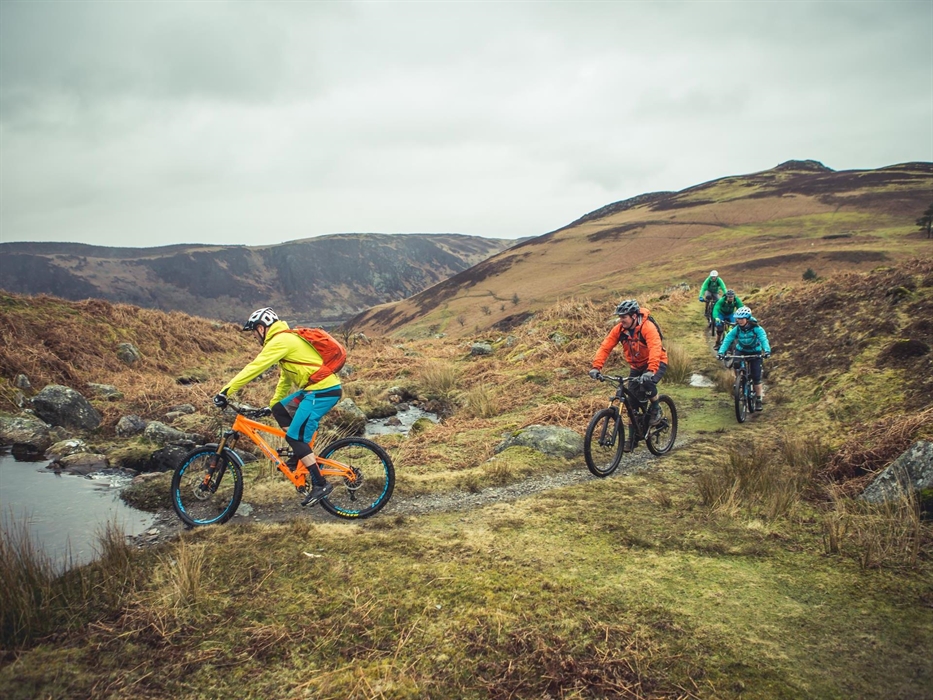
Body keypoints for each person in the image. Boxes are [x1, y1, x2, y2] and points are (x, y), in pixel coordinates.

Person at [213, 307, 342, 507]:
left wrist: (225, 392)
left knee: (294, 437)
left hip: (322, 391)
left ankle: (320, 484)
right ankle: (299, 455)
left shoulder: (280, 340)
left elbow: (255, 367)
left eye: (255, 332)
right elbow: (285, 378)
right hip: (315, 389)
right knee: (281, 410)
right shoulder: (286, 340)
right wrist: (272, 406)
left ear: (261, 328)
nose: (255, 337)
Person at [589, 299, 669, 431]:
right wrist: (596, 367)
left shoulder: (647, 327)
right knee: (632, 405)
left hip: (656, 362)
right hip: (636, 366)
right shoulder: (619, 330)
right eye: (619, 317)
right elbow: (605, 347)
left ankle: (656, 407)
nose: (621, 320)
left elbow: (655, 348)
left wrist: (651, 370)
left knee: (647, 383)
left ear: (634, 316)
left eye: (624, 317)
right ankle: (633, 438)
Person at [717, 306, 771, 412]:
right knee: (736, 365)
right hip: (741, 350)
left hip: (755, 352)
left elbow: (763, 339)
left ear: (747, 318)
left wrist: (767, 351)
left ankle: (759, 399)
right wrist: (721, 352)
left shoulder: (757, 328)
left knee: (756, 377)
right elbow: (728, 339)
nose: (739, 320)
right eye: (738, 318)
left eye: (742, 318)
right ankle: (739, 381)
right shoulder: (737, 329)